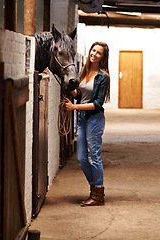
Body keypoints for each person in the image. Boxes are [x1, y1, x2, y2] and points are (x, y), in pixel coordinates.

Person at [64, 42, 110, 206]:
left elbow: (97, 103)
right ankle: (95, 188)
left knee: (94, 157)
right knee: (81, 158)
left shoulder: (103, 76)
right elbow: (78, 95)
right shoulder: (83, 72)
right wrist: (69, 85)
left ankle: (98, 194)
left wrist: (74, 107)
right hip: (83, 118)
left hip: (95, 118)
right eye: (93, 50)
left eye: (99, 53)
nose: (94, 54)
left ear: (103, 57)